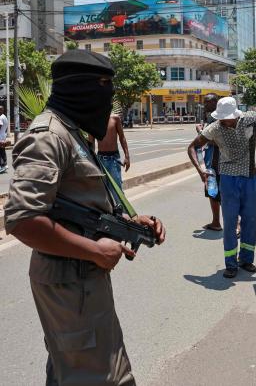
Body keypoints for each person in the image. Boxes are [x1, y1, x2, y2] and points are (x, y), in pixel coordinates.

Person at [3, 50, 166, 385]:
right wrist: (95, 251)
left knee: (70, 371)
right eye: (103, 86)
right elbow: (21, 220)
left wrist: (128, 222)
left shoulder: (71, 131)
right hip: (69, 278)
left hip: (78, 277)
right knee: (106, 377)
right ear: (78, 88)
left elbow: (79, 203)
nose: (107, 97)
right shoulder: (48, 136)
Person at [187, 97, 256, 278]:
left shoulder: (250, 118)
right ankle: (231, 263)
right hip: (228, 179)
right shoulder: (214, 128)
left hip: (250, 177)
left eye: (228, 118)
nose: (225, 121)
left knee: (250, 220)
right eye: (222, 118)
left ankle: (247, 259)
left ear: (236, 114)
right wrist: (201, 169)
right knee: (231, 222)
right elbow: (193, 147)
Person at [195, 94, 222, 231]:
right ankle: (216, 222)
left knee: (218, 192)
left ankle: (236, 223)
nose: (204, 104)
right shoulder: (211, 117)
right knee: (213, 193)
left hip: (216, 162)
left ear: (214, 102)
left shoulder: (216, 118)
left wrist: (201, 132)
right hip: (212, 161)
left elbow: (218, 141)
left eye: (207, 102)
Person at [95, 108, 131, 188]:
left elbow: (122, 137)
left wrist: (127, 157)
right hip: (100, 159)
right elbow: (91, 142)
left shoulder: (115, 118)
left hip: (113, 159)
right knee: (103, 190)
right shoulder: (95, 119)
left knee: (116, 190)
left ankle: (118, 201)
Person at [0, 106, 8, 173]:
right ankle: (5, 164)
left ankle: (2, 166)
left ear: (2, 110)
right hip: (3, 136)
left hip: (0, 136)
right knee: (2, 151)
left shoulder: (0, 117)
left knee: (1, 151)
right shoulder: (4, 117)